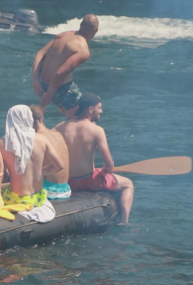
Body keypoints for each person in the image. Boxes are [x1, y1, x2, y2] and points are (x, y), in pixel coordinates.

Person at [54, 94, 134, 225]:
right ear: (90, 110)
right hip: (89, 181)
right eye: (99, 108)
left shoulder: (59, 127)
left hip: (66, 182)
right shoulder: (96, 130)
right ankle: (124, 222)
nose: (101, 111)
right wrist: (104, 170)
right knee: (128, 184)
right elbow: (109, 164)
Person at [31, 14, 99, 118]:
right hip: (60, 88)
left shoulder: (62, 35)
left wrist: (36, 81)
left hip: (44, 84)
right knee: (85, 118)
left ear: (80, 25)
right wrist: (48, 96)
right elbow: (60, 73)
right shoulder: (83, 50)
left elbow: (40, 54)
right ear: (96, 30)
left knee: (72, 117)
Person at [0, 105, 64, 207]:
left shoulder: (3, 143)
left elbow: (0, 175)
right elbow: (59, 165)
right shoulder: (42, 139)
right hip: (39, 197)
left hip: (17, 199)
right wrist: (39, 172)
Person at [29, 105, 71, 200]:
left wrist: (36, 173)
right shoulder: (58, 134)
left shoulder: (37, 139)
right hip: (66, 189)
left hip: (49, 191)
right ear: (42, 119)